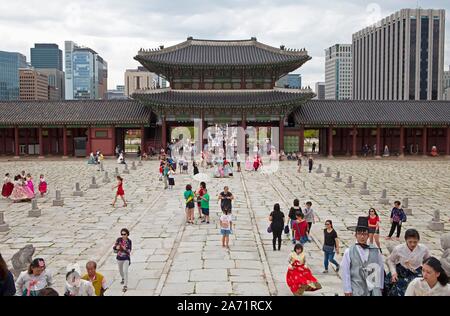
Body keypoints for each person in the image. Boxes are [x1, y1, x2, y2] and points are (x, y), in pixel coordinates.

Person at [340, 217, 384, 296]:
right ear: (355, 235)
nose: (362, 237)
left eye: (364, 234)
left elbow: (380, 268)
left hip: (373, 288)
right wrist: (347, 289)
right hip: (356, 287)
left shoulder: (375, 250)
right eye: (360, 233)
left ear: (368, 235)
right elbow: (345, 271)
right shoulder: (349, 251)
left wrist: (380, 286)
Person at [384, 229, 430, 296]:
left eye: (415, 242)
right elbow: (391, 260)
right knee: (389, 283)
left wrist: (426, 271)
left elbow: (428, 261)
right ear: (406, 240)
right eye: (410, 242)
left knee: (411, 286)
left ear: (418, 240)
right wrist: (394, 272)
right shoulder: (399, 249)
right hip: (401, 270)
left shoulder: (423, 249)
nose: (413, 244)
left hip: (416, 271)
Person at [113, 228, 132, 292]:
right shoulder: (119, 240)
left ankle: (125, 286)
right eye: (122, 234)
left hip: (126, 258)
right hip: (119, 258)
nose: (123, 235)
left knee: (125, 271)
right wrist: (116, 247)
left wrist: (124, 249)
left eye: (124, 234)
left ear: (127, 234)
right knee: (121, 271)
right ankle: (123, 278)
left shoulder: (129, 241)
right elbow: (114, 247)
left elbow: (129, 251)